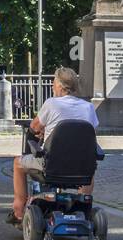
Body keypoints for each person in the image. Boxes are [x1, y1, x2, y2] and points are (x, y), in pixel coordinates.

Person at [8, 67, 98, 224]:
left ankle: (19, 209)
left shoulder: (51, 104)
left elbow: (34, 127)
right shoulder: (88, 107)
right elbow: (85, 134)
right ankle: (83, 204)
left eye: (54, 83)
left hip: (52, 164)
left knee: (18, 163)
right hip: (81, 166)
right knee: (89, 169)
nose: (52, 86)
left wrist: (43, 132)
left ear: (60, 86)